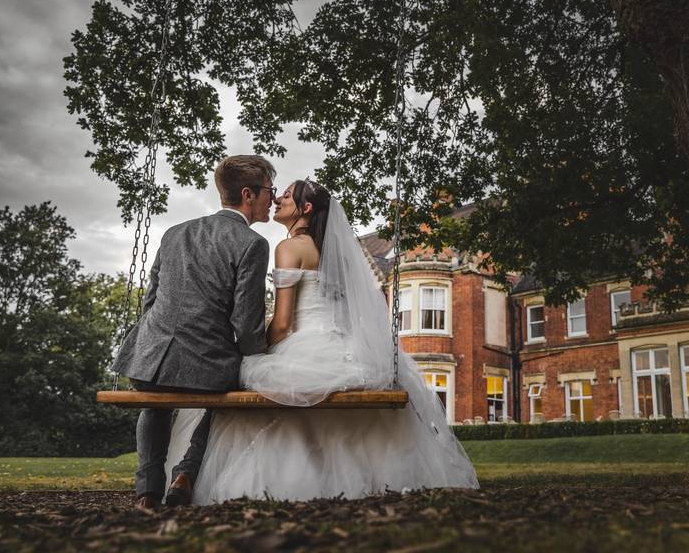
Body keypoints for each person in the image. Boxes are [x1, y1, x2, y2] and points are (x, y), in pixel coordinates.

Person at [165, 180, 479, 502]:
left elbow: (284, 323)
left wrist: (258, 350)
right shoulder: (333, 255)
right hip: (339, 348)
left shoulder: (288, 248)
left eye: (286, 196)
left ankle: (192, 473)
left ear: (307, 208)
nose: (277, 200)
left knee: (233, 385)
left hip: (301, 346)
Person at [113, 155, 275, 509]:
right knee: (233, 393)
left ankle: (146, 493)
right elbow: (246, 326)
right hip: (207, 366)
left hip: (151, 361)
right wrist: (265, 353)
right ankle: (185, 473)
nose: (272, 199)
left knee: (155, 405)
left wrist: (152, 346)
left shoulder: (174, 233)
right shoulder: (252, 243)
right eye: (269, 191)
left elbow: (151, 300)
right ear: (248, 194)